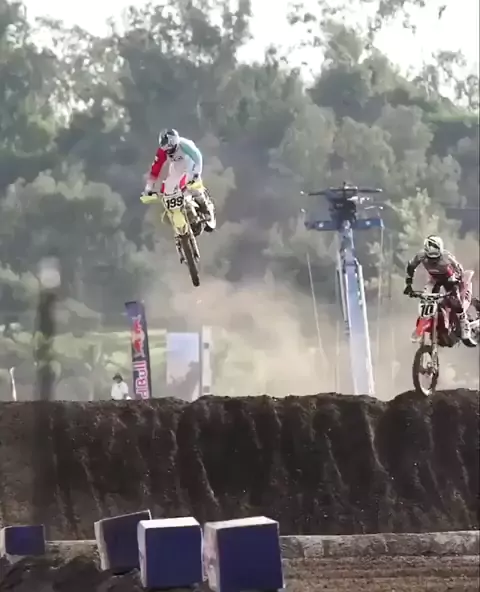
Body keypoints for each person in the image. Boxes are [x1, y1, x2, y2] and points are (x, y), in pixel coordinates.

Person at [140, 128, 215, 233]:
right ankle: (180, 212)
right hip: (177, 166)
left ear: (175, 142)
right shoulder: (162, 151)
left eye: (170, 149)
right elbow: (155, 169)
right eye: (165, 150)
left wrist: (196, 173)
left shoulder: (185, 145)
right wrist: (148, 188)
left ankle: (205, 206)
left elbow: (197, 157)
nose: (168, 152)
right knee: (168, 188)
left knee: (193, 184)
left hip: (190, 163)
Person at [403, 235, 471, 341]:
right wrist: (408, 284)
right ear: (426, 252)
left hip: (449, 278)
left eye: (436, 258)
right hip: (434, 279)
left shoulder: (447, 256)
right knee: (426, 298)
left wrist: (457, 280)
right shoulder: (420, 255)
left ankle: (464, 322)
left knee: (454, 299)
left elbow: (459, 268)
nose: (433, 262)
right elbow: (410, 267)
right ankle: (421, 325)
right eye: (430, 259)